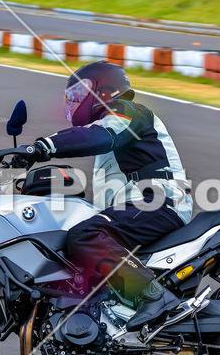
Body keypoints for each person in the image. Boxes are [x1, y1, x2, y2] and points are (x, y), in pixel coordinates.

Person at [17, 61, 193, 332]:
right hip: (140, 204)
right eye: (71, 98)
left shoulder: (130, 113)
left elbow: (98, 135)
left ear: (103, 90)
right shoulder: (110, 143)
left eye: (78, 95)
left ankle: (154, 295)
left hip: (161, 201)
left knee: (84, 235)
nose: (74, 103)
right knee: (75, 240)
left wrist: (42, 147)